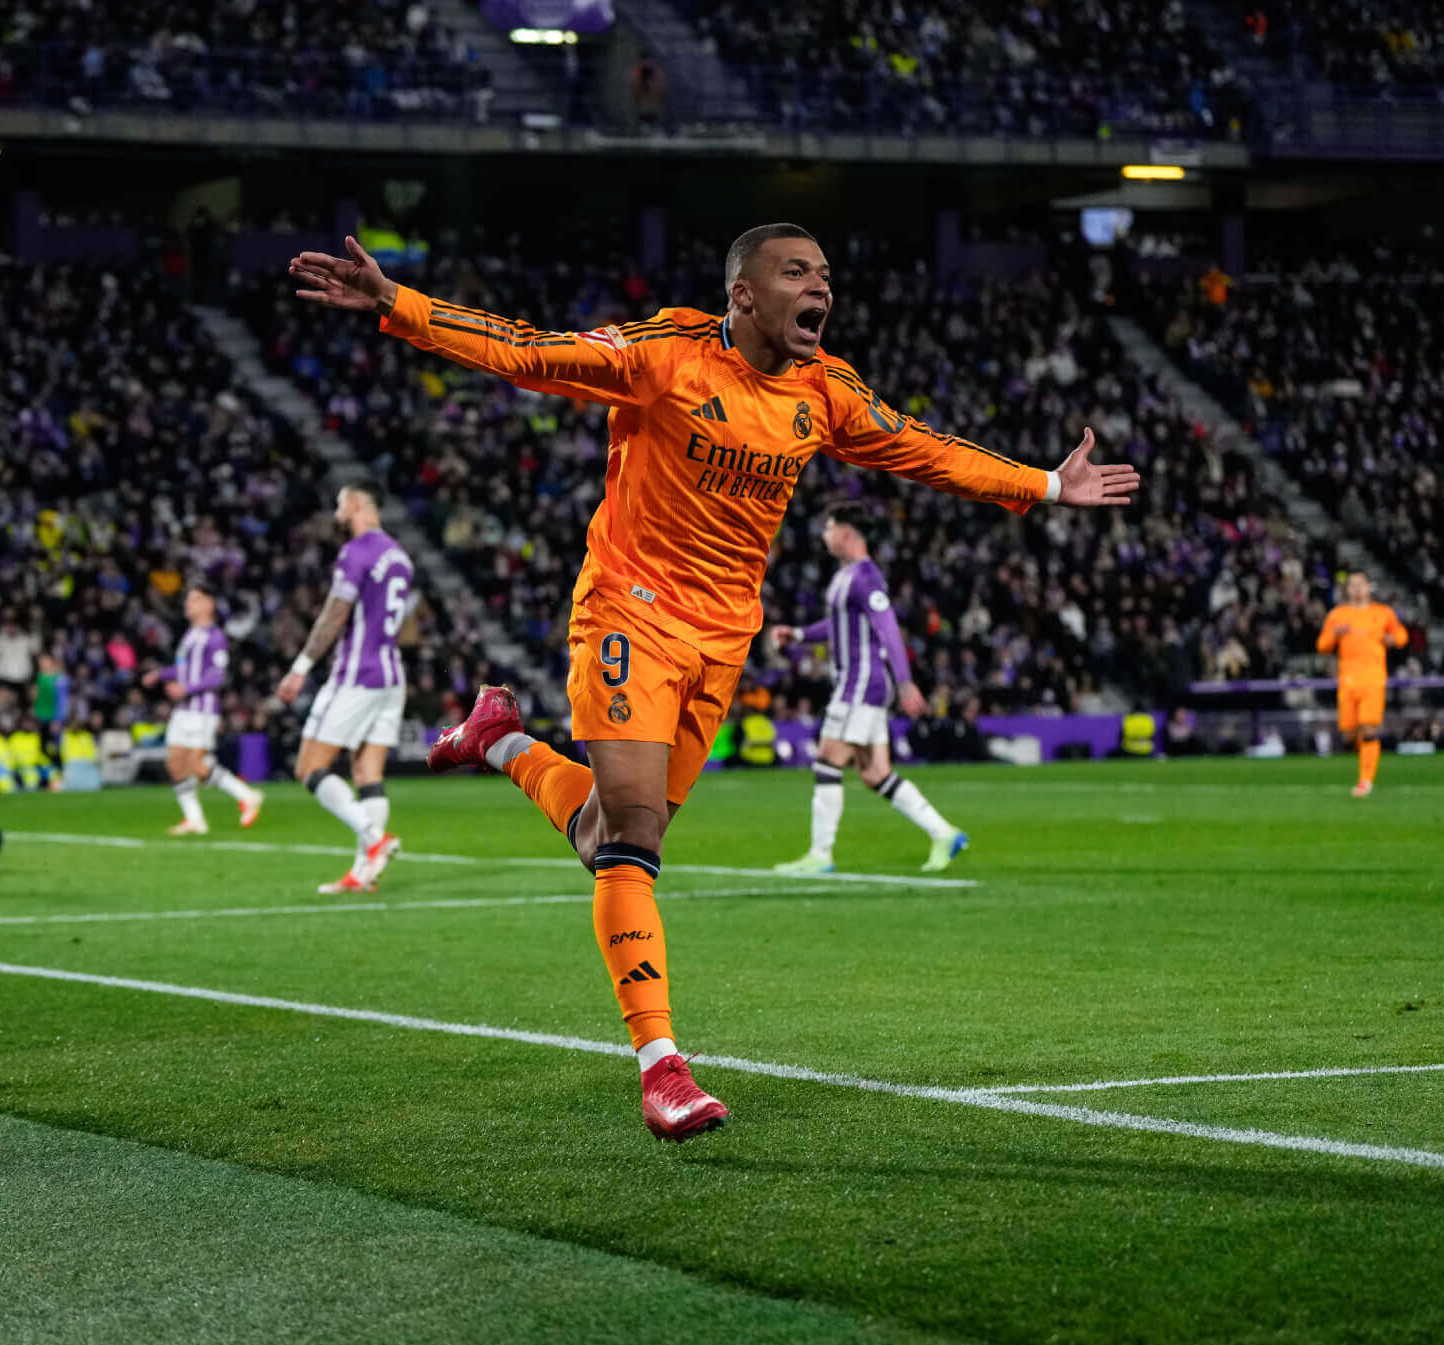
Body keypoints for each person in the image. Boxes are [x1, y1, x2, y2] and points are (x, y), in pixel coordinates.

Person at [289, 226, 1138, 1141]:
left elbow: (924, 448)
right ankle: (662, 1067)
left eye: (825, 274)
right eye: (797, 272)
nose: (821, 288)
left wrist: (1048, 486)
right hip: (629, 608)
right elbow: (528, 351)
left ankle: (500, 740)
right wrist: (398, 303)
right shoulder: (665, 355)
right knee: (633, 837)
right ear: (743, 294)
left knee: (606, 836)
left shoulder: (825, 390)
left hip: (724, 638)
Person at [769, 506, 967, 873]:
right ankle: (945, 833)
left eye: (829, 528)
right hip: (862, 683)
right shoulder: (845, 577)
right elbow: (837, 624)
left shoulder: (866, 577)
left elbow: (887, 627)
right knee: (875, 774)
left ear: (847, 533)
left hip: (860, 683)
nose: (824, 535)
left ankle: (820, 855)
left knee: (827, 760)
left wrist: (905, 682)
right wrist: (798, 635)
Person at [274, 485, 414, 893]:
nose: (337, 512)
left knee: (309, 768)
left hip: (357, 674)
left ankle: (374, 837)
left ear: (355, 505)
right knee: (367, 774)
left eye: (339, 504)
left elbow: (335, 613)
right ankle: (363, 873)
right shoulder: (401, 557)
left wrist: (300, 668)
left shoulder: (357, 551)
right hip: (391, 675)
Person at [142, 582, 263, 835]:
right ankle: (194, 819)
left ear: (209, 604)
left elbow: (218, 676)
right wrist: (160, 674)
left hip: (203, 710)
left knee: (196, 765)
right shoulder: (190, 635)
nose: (188, 604)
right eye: (188, 599)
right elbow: (184, 669)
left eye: (195, 599)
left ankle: (247, 795)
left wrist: (186, 689)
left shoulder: (215, 637)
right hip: (183, 710)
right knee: (175, 764)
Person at [1317, 571, 1409, 797]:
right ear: (1347, 589)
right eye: (1353, 585)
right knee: (1349, 734)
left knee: (1368, 727)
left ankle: (1365, 780)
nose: (1357, 589)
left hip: (1373, 678)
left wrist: (1393, 639)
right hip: (1348, 679)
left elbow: (1401, 634)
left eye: (1361, 584)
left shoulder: (1383, 613)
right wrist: (1334, 634)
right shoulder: (1338, 615)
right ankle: (1368, 756)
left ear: (1369, 587)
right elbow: (1322, 645)